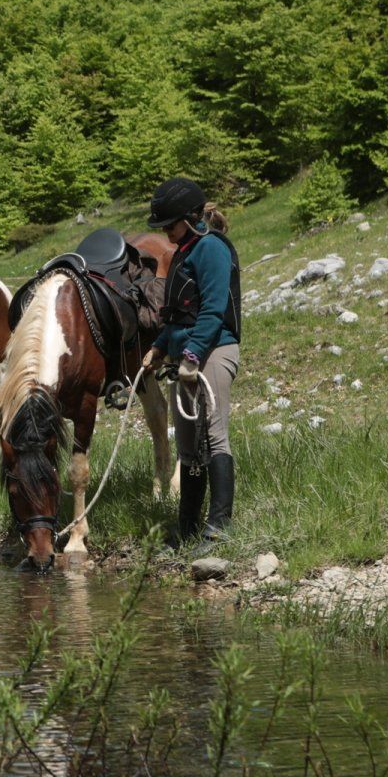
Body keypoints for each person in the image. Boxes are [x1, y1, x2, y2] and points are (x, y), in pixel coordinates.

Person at [141, 177, 241, 544]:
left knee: (214, 437)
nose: (165, 230)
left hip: (214, 352)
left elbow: (213, 311)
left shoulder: (211, 249)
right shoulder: (183, 251)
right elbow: (176, 316)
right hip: (186, 357)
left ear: (189, 217)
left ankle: (218, 528)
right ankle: (186, 530)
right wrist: (159, 348)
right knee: (187, 446)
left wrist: (193, 355)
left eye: (169, 224)